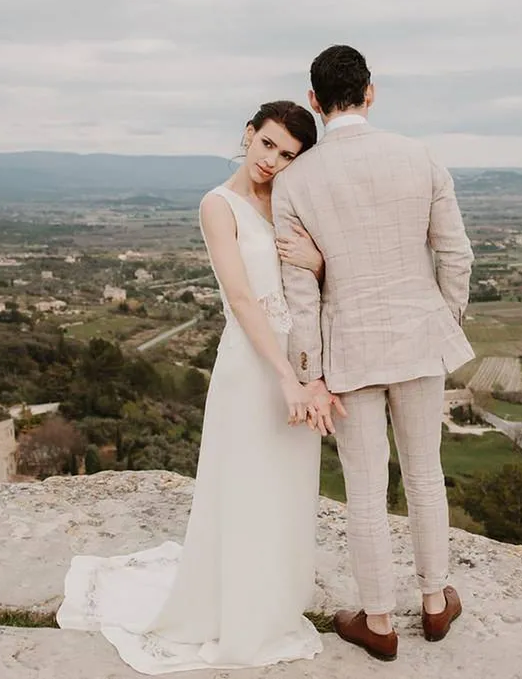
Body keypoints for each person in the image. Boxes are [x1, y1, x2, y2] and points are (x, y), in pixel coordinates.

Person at [56, 100, 342, 674]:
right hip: (252, 369)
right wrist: (286, 379)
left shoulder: (291, 201)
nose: (273, 161)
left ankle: (273, 603)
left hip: (300, 369)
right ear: (249, 135)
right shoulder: (219, 205)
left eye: (288, 155)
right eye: (267, 145)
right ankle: (232, 610)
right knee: (244, 488)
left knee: (286, 490)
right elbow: (241, 299)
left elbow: (325, 280)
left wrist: (318, 266)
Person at [272, 44, 475, 662]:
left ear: (313, 100)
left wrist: (309, 373)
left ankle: (380, 621)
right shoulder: (420, 157)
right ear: (371, 91)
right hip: (417, 340)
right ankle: (436, 604)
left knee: (364, 488)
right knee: (424, 474)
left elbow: (300, 296)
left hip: (349, 351)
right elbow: (457, 255)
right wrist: (442, 319)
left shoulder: (295, 180)